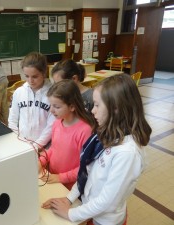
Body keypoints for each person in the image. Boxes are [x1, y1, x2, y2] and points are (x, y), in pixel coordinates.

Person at [42, 74, 152, 225]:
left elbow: (107, 201)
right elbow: (86, 171)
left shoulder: (127, 153)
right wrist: (69, 198)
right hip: (89, 211)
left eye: (97, 105)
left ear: (116, 109)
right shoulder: (106, 135)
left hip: (105, 220)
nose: (92, 111)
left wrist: (71, 214)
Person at [39, 80, 94, 190]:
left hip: (71, 186)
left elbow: (86, 167)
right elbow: (53, 149)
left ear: (72, 107)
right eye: (51, 105)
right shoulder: (57, 123)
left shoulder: (85, 130)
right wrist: (41, 161)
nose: (51, 110)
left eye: (57, 107)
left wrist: (61, 177)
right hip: (52, 178)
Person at [8, 52, 55, 150]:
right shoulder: (19, 92)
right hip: (22, 144)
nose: (30, 80)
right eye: (26, 76)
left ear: (44, 72)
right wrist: (19, 141)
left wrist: (37, 146)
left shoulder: (53, 94)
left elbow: (52, 125)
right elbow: (12, 120)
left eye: (35, 76)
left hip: (45, 147)